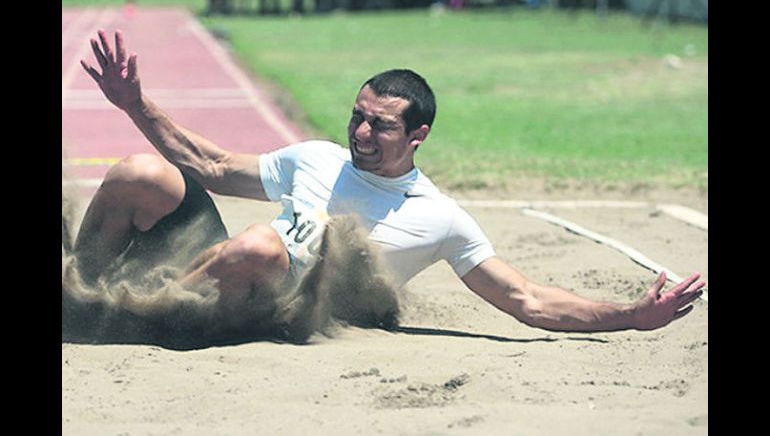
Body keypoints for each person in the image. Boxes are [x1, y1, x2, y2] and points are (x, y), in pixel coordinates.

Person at [76, 29, 705, 334]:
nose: (359, 132)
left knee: (263, 246)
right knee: (140, 173)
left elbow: (527, 300)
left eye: (378, 126)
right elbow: (209, 165)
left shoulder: (440, 219)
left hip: (272, 310)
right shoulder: (315, 157)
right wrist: (135, 104)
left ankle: (133, 320)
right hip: (225, 267)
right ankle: (76, 297)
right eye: (357, 116)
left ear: (417, 136)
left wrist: (632, 315)